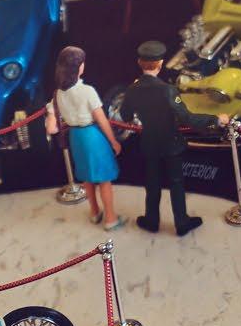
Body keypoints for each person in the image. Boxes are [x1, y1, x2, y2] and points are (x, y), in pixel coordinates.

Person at [109, 41, 209, 236]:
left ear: (140, 63)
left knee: (152, 184)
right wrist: (215, 120)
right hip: (171, 143)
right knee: (176, 183)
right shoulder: (168, 90)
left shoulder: (133, 89)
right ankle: (181, 223)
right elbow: (187, 118)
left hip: (150, 143)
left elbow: (126, 116)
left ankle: (151, 221)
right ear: (161, 64)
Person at [42, 46, 123, 229]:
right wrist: (113, 141)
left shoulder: (58, 94)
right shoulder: (87, 91)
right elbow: (102, 119)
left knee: (87, 178)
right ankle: (110, 218)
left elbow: (51, 128)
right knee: (104, 179)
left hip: (76, 138)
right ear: (78, 67)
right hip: (92, 137)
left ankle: (94, 212)